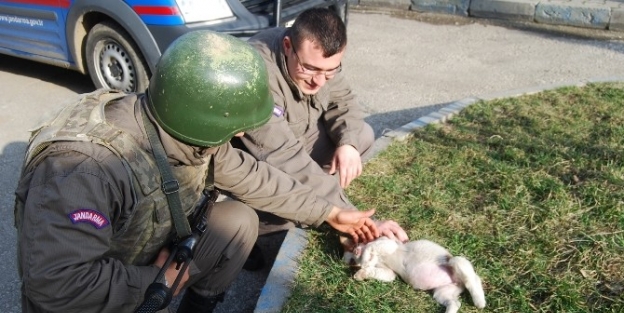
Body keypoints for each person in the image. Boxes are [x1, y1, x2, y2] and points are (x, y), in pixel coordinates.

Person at [13, 30, 380, 313]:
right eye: (235, 125)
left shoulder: (182, 131)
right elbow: (55, 285)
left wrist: (329, 212)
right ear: (200, 116)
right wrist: (157, 281)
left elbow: (254, 177)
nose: (240, 134)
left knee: (238, 220)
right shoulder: (83, 171)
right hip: (91, 294)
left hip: (141, 254)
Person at [232, 8, 408, 250]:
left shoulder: (320, 61)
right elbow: (284, 157)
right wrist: (353, 218)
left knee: (360, 136)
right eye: (310, 69)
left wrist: (347, 143)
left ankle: (315, 203)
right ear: (287, 46)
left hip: (297, 142)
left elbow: (343, 100)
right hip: (260, 164)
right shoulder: (256, 75)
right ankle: (263, 225)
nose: (319, 81)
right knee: (253, 216)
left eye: (330, 71)